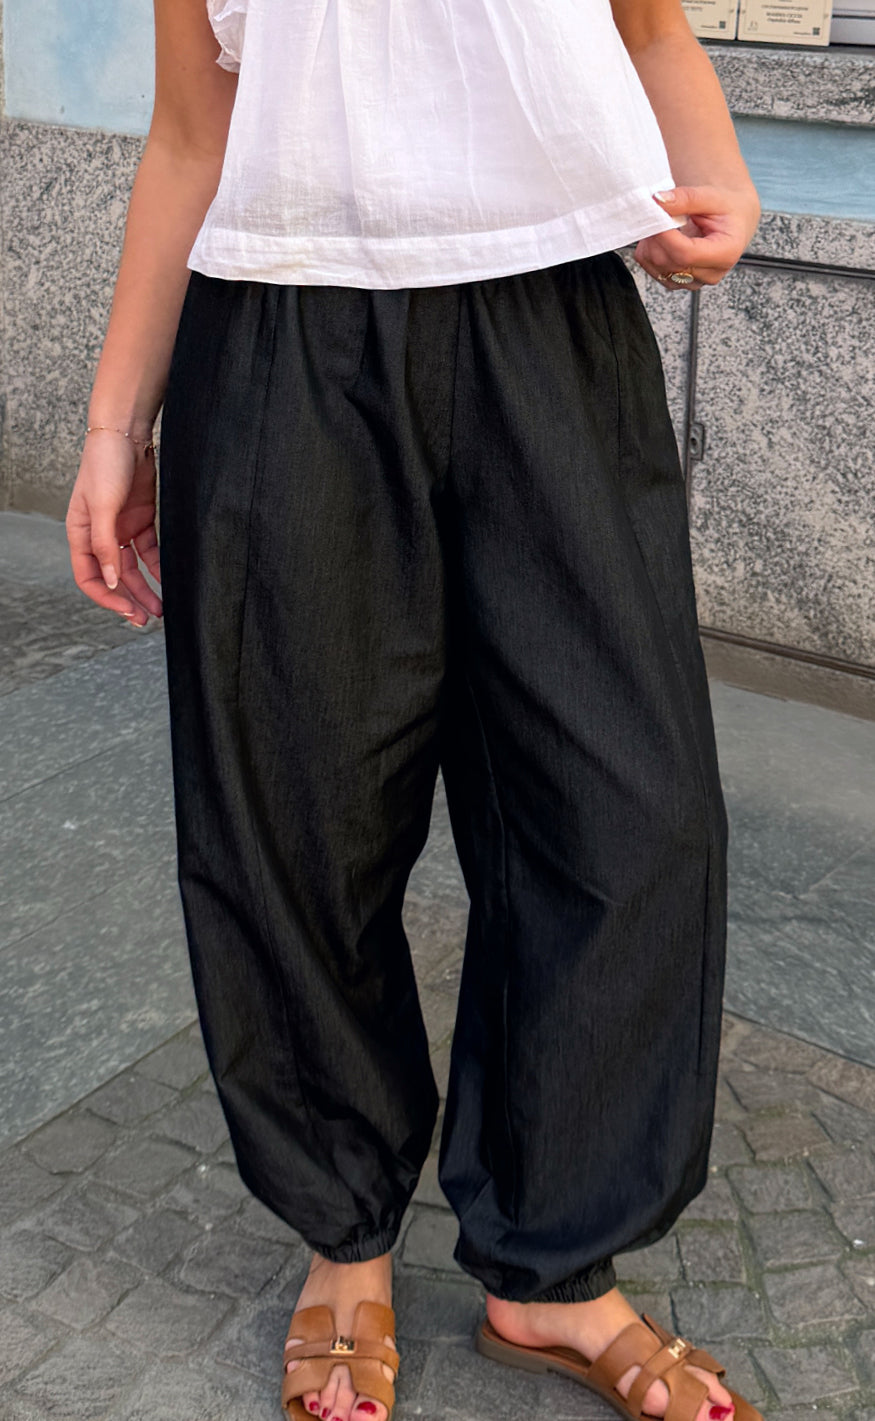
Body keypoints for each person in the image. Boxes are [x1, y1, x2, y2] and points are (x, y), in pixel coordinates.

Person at [66, 0, 762, 1418]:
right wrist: (114, 424)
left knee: (628, 813)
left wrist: (720, 171)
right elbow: (193, 129)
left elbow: (649, 31)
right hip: (282, 332)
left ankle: (551, 1266)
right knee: (296, 819)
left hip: (552, 322)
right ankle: (346, 1237)